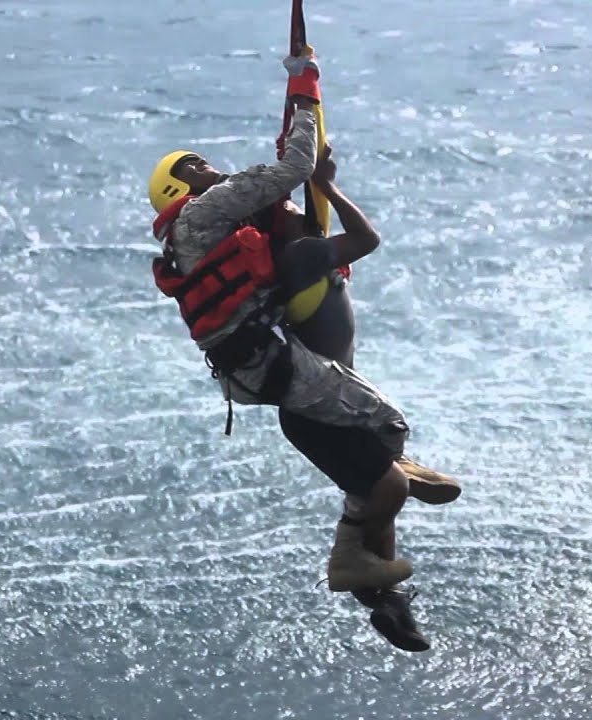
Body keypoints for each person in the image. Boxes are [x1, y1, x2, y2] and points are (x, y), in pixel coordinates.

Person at [147, 56, 414, 597]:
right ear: (178, 190)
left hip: (256, 364)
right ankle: (354, 551)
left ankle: (385, 501)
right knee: (388, 422)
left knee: (382, 438)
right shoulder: (199, 215)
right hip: (271, 364)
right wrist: (304, 96)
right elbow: (294, 168)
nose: (208, 167)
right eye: (194, 165)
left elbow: (276, 218)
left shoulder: (197, 240)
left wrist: (307, 191)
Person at [268, 150, 446, 652]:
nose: (294, 208)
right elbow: (368, 239)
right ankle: (351, 558)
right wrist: (327, 187)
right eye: (283, 208)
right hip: (315, 408)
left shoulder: (299, 255)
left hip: (331, 399)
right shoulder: (301, 255)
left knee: (380, 495)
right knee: (387, 490)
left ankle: (389, 600)